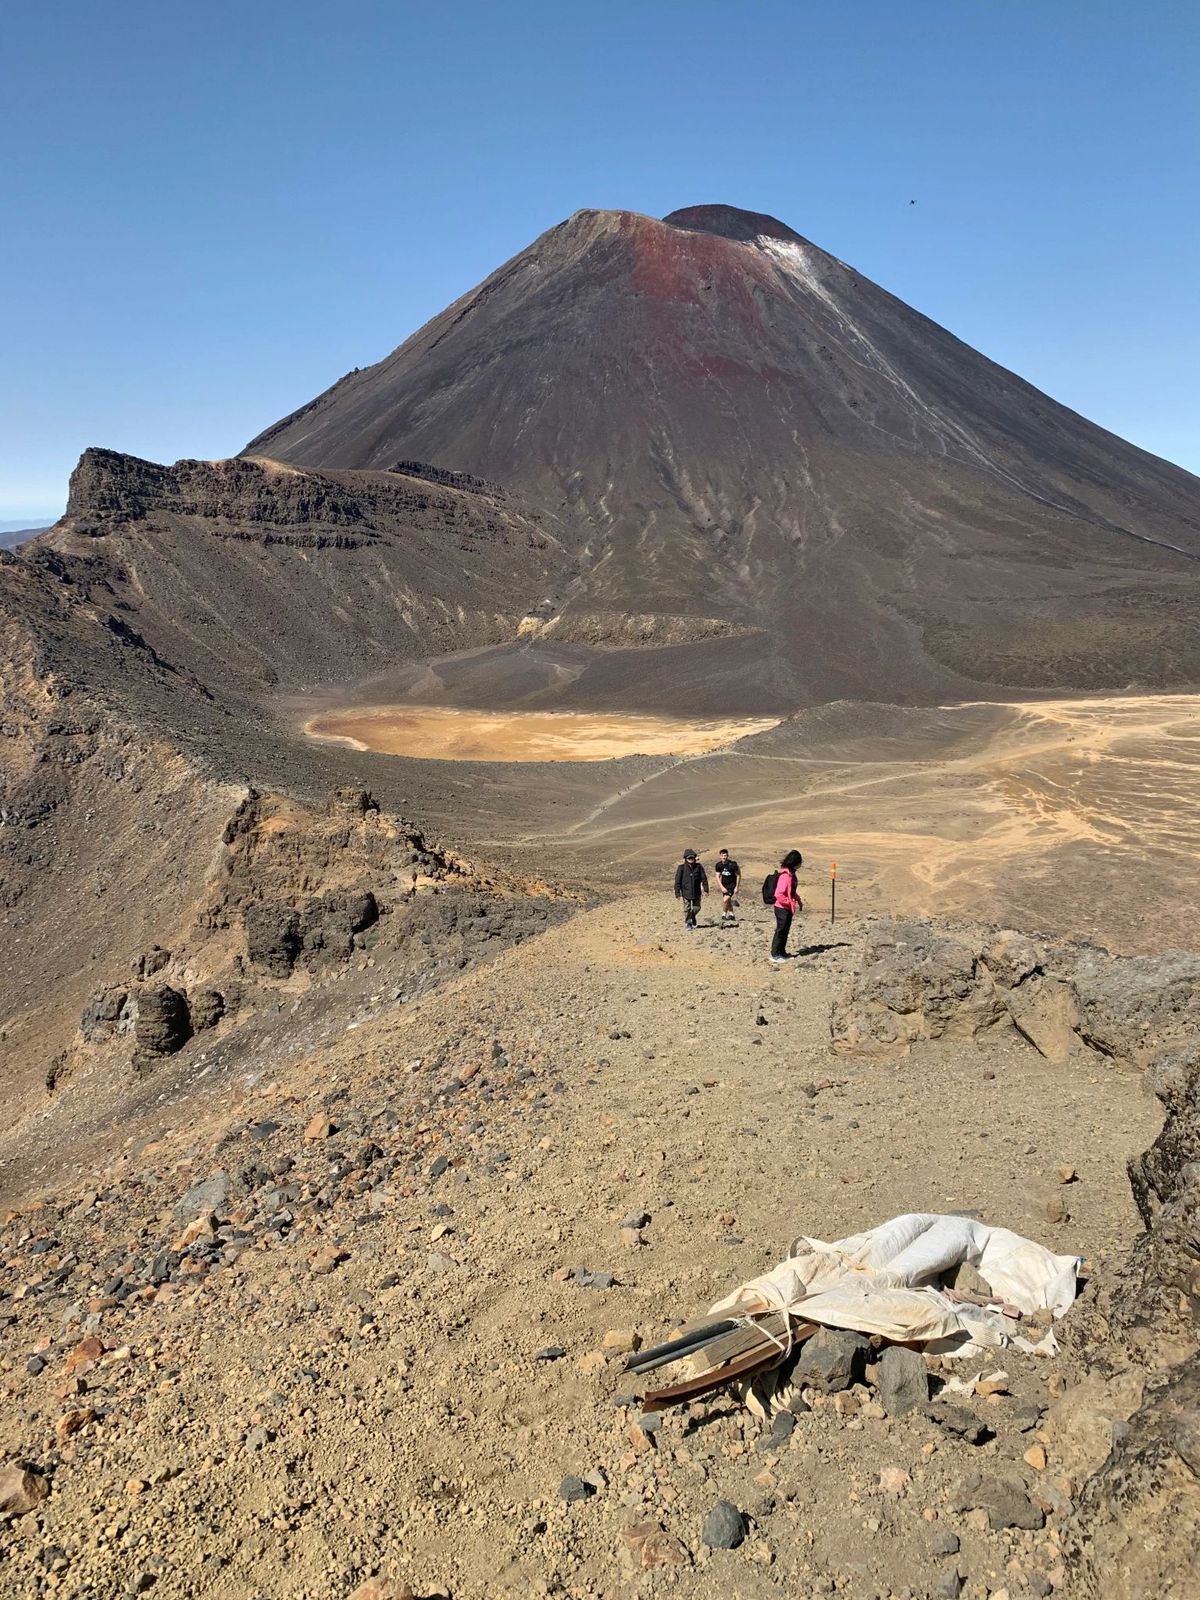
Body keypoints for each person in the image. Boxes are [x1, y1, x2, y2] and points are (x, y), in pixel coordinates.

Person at [770, 849, 803, 964]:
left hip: (787, 908)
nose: (801, 864)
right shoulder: (786, 875)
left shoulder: (792, 874)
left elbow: (791, 891)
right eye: (800, 862)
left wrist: (797, 899)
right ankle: (775, 954)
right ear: (795, 862)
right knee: (780, 930)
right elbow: (779, 894)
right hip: (781, 908)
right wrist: (789, 902)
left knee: (785, 930)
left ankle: (782, 952)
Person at [673, 848, 708, 929]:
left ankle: (692, 916)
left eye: (692, 858)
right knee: (687, 908)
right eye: (689, 858)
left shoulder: (698, 867)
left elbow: (704, 879)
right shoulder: (681, 868)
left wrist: (706, 889)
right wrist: (677, 893)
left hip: (696, 892)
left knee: (697, 908)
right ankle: (688, 922)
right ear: (685, 858)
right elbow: (677, 881)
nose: (691, 859)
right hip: (686, 892)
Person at [713, 848, 741, 926]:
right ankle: (732, 914)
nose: (724, 857)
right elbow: (717, 876)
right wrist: (721, 887)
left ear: (728, 856)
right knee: (728, 900)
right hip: (724, 885)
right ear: (720, 856)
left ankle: (723, 915)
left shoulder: (733, 864)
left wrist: (737, 887)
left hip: (732, 885)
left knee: (726, 899)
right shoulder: (718, 865)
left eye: (725, 855)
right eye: (722, 856)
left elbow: (738, 875)